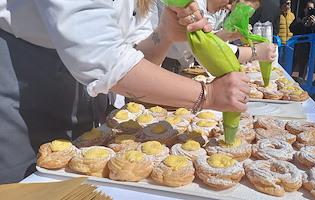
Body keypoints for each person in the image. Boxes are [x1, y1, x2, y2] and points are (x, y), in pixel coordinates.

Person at [0, 0, 254, 184]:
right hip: (26, 82)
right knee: (27, 182)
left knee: (81, 180)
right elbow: (104, 58)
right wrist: (207, 94)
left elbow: (134, 59)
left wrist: (164, 34)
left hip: (90, 93)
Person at [289, 0, 315, 81]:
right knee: (292, 64)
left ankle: (301, 80)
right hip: (297, 46)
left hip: (309, 46)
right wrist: (301, 23)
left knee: (303, 65)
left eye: (311, 8)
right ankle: (289, 78)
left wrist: (314, 24)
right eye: (307, 8)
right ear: (304, 9)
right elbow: (292, 28)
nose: (309, 10)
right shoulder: (299, 18)